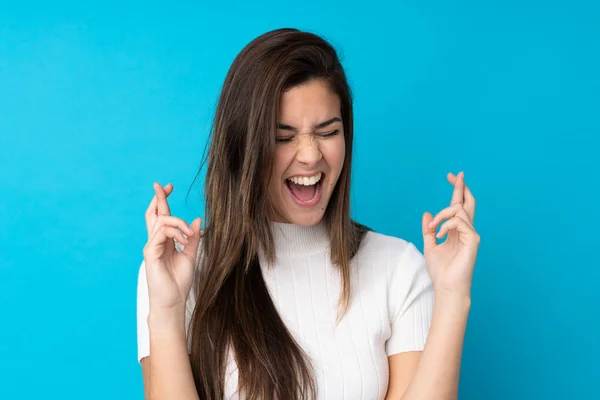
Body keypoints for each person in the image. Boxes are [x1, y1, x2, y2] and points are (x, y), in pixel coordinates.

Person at [136, 28, 480, 400]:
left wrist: (452, 295)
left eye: (327, 132)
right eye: (283, 137)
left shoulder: (398, 268)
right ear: (243, 147)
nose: (311, 155)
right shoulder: (178, 273)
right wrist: (168, 310)